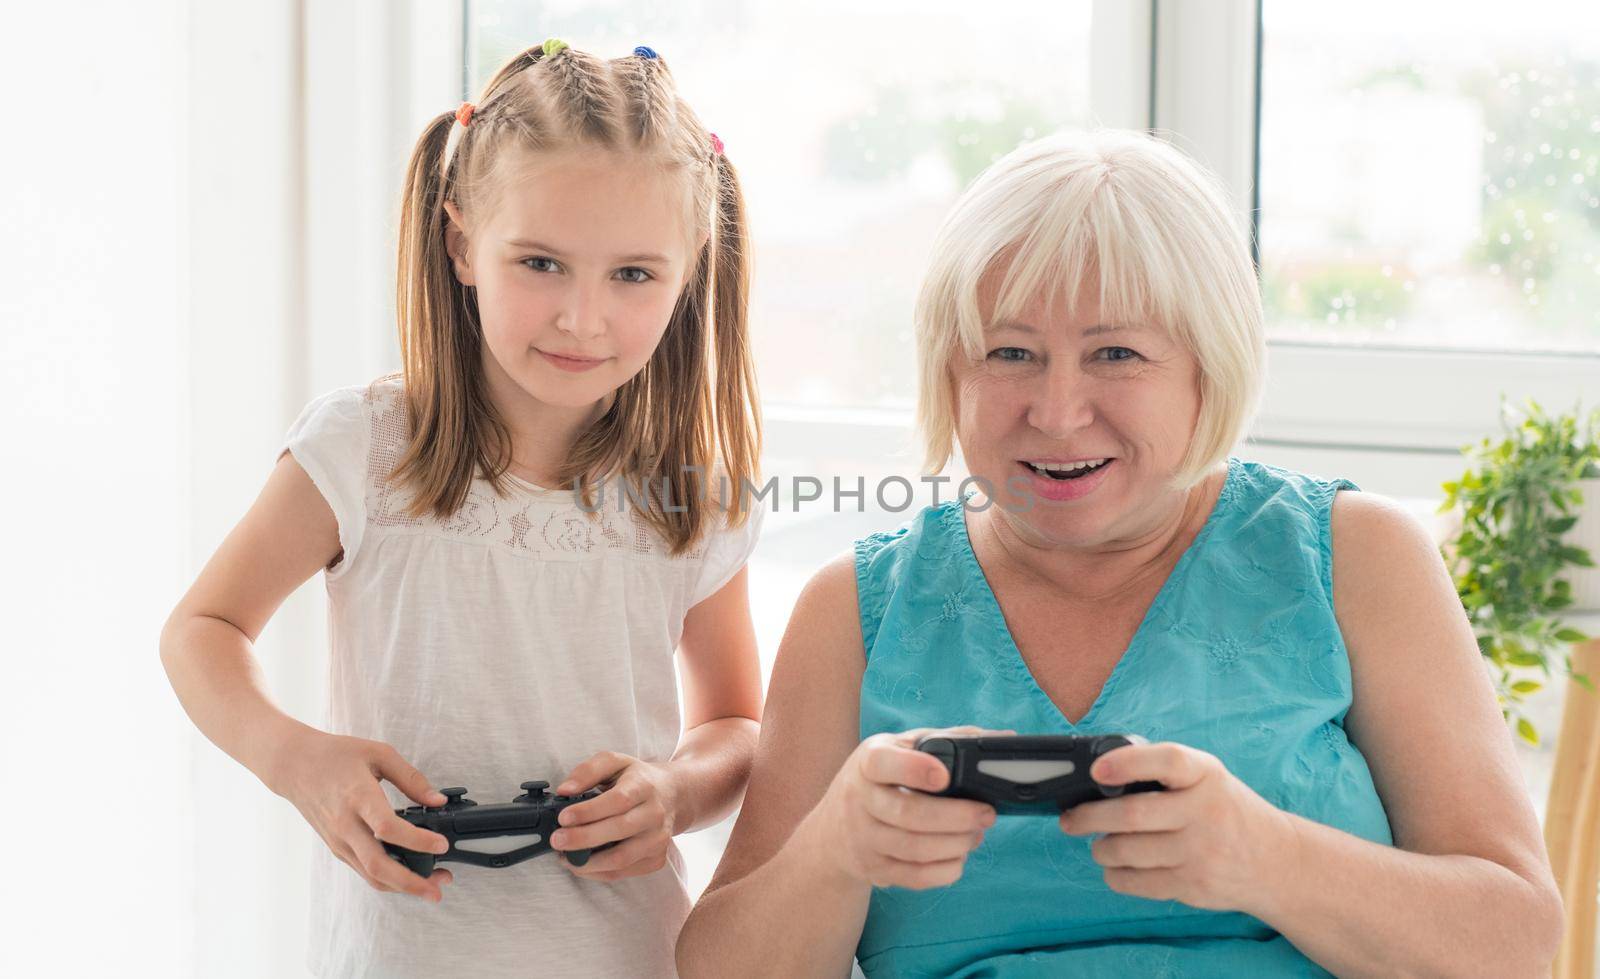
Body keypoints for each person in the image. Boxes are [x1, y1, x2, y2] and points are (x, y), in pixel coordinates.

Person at [676, 130, 1563, 977]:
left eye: (1117, 353)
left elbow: (1515, 942)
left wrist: (1269, 858)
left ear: (1207, 370)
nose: (1058, 411)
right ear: (951, 372)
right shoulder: (855, 608)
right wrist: (834, 851)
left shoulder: (1356, 557)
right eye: (1011, 352)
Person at [160, 39, 764, 978]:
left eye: (633, 275)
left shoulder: (693, 495)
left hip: (630, 955)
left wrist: (676, 793)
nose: (583, 317)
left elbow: (736, 723)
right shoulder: (362, 449)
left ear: (689, 274)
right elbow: (202, 628)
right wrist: (297, 760)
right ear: (460, 243)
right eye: (541, 263)